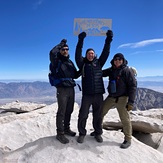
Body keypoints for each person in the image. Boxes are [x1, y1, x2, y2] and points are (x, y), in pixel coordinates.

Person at [75, 30, 113, 143]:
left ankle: (98, 133)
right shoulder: (82, 64)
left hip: (98, 95)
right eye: (88, 53)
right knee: (83, 114)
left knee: (98, 115)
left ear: (94, 55)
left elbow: (106, 52)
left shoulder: (99, 63)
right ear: (86, 55)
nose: (90, 55)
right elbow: (77, 53)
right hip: (87, 95)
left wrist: (109, 39)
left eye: (92, 53)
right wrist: (81, 39)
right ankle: (82, 133)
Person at [102, 53, 137, 148]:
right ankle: (98, 130)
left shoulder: (127, 71)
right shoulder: (111, 70)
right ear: (113, 61)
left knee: (125, 119)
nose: (117, 61)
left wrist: (131, 102)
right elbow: (101, 73)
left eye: (119, 59)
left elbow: (133, 87)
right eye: (116, 59)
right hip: (111, 97)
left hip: (123, 98)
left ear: (123, 60)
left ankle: (128, 139)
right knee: (101, 112)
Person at [49, 39, 80, 144]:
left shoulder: (70, 62)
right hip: (62, 89)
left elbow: (75, 75)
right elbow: (52, 53)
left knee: (69, 110)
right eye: (63, 49)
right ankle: (60, 134)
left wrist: (83, 68)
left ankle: (66, 129)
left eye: (67, 49)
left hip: (71, 88)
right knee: (62, 111)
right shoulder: (56, 60)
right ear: (60, 50)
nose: (65, 51)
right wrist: (60, 44)